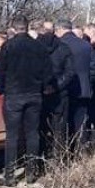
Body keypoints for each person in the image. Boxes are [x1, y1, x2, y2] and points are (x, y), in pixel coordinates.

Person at [0, 19, 53, 187]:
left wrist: (0, 90)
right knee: (32, 133)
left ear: (13, 28)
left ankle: (10, 176)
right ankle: (31, 172)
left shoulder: (8, 47)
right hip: (34, 94)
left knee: (12, 136)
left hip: (13, 95)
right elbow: (48, 73)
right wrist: (43, 87)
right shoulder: (39, 47)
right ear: (27, 29)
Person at [37, 22, 75, 162]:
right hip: (60, 94)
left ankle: (40, 160)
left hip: (40, 93)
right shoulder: (64, 47)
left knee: (40, 128)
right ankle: (58, 161)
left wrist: (42, 87)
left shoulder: (35, 47)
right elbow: (70, 72)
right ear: (54, 31)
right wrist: (57, 86)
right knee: (59, 130)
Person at [55, 20, 92, 157]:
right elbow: (94, 67)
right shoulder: (85, 45)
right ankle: (82, 151)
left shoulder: (60, 45)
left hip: (66, 89)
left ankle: (67, 153)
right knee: (81, 121)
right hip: (84, 89)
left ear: (59, 30)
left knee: (64, 124)